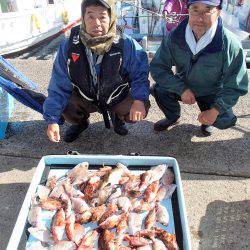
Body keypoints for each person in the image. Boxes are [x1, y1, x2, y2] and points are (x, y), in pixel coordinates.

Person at [43, 0, 150, 143]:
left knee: (136, 107)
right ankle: (80, 122)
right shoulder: (68, 46)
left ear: (111, 18)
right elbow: (58, 84)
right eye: (91, 16)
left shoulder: (127, 44)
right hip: (86, 97)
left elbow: (140, 75)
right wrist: (52, 119)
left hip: (115, 97)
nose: (97, 23)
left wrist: (140, 100)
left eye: (103, 17)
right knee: (66, 106)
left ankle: (118, 118)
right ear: (83, 18)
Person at [151, 0, 248, 136]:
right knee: (159, 89)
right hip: (183, 84)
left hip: (212, 91)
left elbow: (236, 85)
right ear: (188, 11)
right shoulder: (175, 36)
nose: (200, 18)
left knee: (226, 120)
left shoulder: (230, 44)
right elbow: (158, 67)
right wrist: (181, 89)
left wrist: (215, 110)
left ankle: (207, 120)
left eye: (208, 10)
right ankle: (172, 116)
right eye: (195, 9)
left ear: (219, 12)